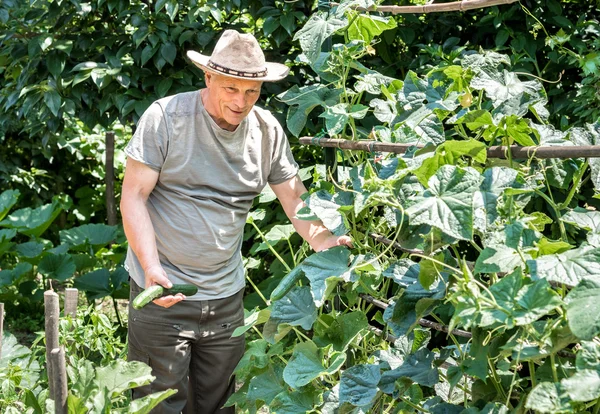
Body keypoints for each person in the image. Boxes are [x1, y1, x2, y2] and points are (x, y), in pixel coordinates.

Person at [120, 29, 352, 414]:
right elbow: (133, 197)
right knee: (157, 405)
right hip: (163, 291)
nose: (241, 102)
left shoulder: (266, 131)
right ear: (208, 77)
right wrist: (151, 268)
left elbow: (295, 199)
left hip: (226, 298)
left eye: (251, 91)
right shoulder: (166, 117)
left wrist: (325, 243)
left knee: (221, 405)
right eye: (230, 89)